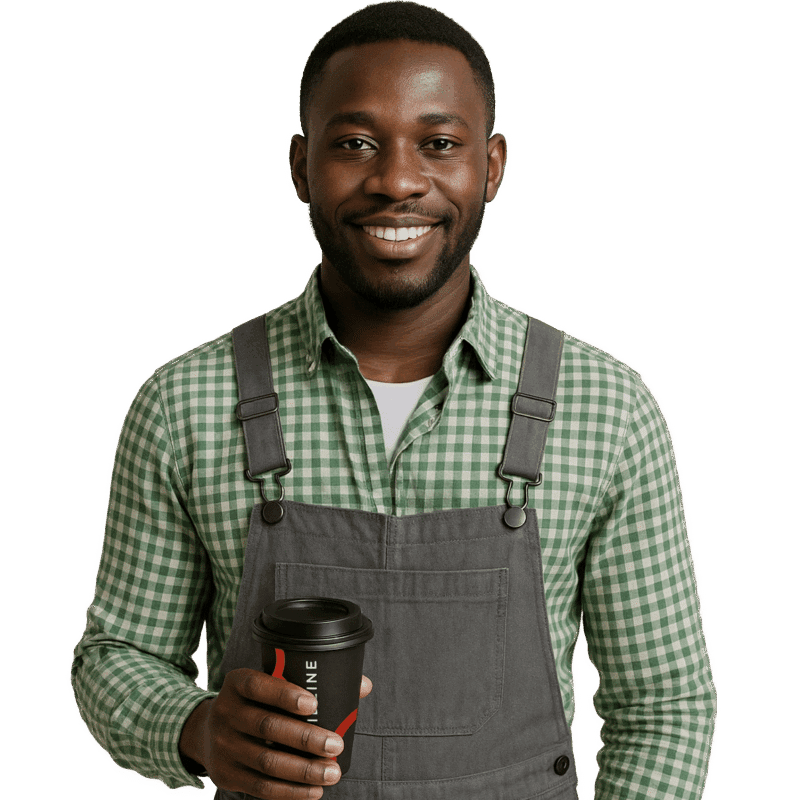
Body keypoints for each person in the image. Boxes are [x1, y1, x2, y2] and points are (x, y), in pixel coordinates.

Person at [69, 2, 717, 798]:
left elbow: (664, 706)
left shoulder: (607, 407)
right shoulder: (184, 405)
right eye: (355, 145)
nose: (398, 181)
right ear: (301, 166)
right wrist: (195, 728)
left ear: (494, 166)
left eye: (439, 145)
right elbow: (118, 655)